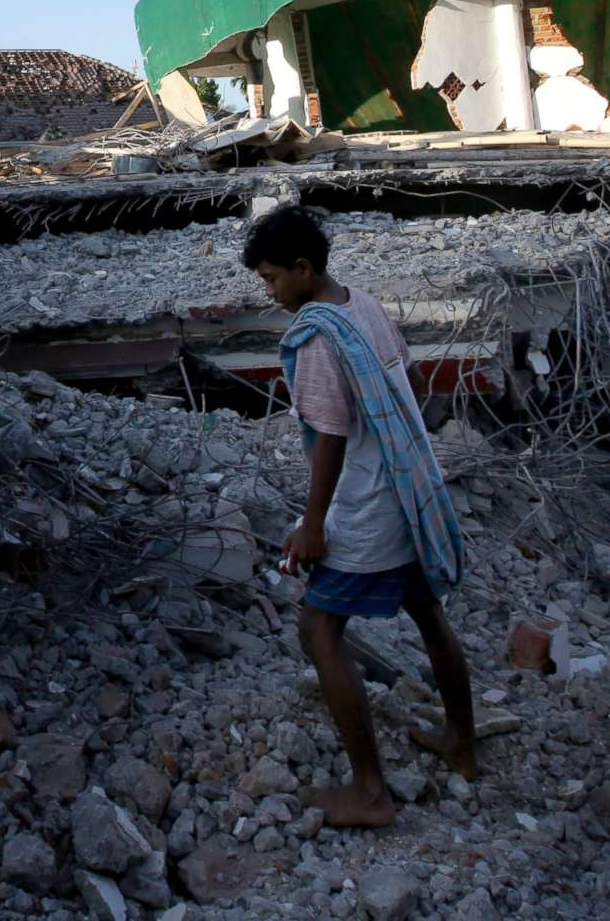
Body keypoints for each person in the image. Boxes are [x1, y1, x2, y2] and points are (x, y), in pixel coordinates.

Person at [243, 203, 476, 828]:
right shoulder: (364, 305)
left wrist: (313, 526)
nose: (270, 293)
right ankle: (462, 743)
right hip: (412, 492)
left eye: (271, 279)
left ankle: (371, 791)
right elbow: (406, 375)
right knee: (429, 614)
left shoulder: (317, 337)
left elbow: (329, 436)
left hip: (369, 505)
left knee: (318, 630)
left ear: (302, 267)